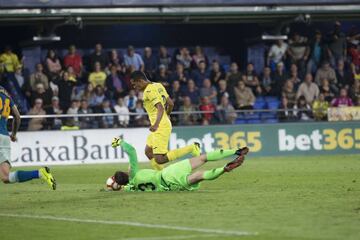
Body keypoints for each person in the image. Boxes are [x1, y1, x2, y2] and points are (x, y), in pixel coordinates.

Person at [109, 137, 249, 192]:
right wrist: (120, 142)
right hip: (168, 173)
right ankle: (235, 151)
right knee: (202, 158)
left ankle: (224, 169)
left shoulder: (131, 188)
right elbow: (132, 152)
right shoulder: (133, 174)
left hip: (170, 185)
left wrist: (113, 187)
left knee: (199, 176)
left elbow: (120, 187)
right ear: (126, 173)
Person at [130, 71, 200, 170]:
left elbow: (160, 107)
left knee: (159, 159)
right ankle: (161, 176)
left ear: (140, 81)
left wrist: (156, 124)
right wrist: (167, 115)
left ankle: (192, 148)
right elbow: (170, 104)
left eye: (134, 84)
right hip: (162, 122)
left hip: (159, 126)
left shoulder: (148, 91)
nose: (134, 87)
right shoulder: (158, 85)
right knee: (148, 152)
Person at [0, 87, 56, 189]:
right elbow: (17, 116)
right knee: (6, 177)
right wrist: (13, 134)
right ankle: (39, 173)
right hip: (4, 137)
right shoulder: (5, 94)